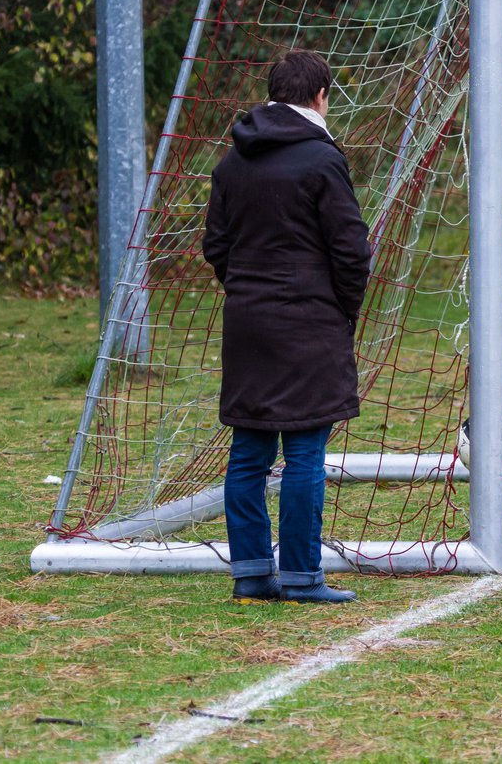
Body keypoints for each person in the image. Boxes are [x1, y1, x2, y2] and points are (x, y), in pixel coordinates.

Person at [203, 50, 371, 603]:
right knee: (303, 452)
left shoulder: (231, 162)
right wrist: (342, 309)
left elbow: (217, 247)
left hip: (247, 323)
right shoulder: (322, 162)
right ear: (321, 96)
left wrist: (249, 292)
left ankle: (251, 573)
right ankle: (302, 576)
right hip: (308, 323)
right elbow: (351, 251)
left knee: (249, 451)